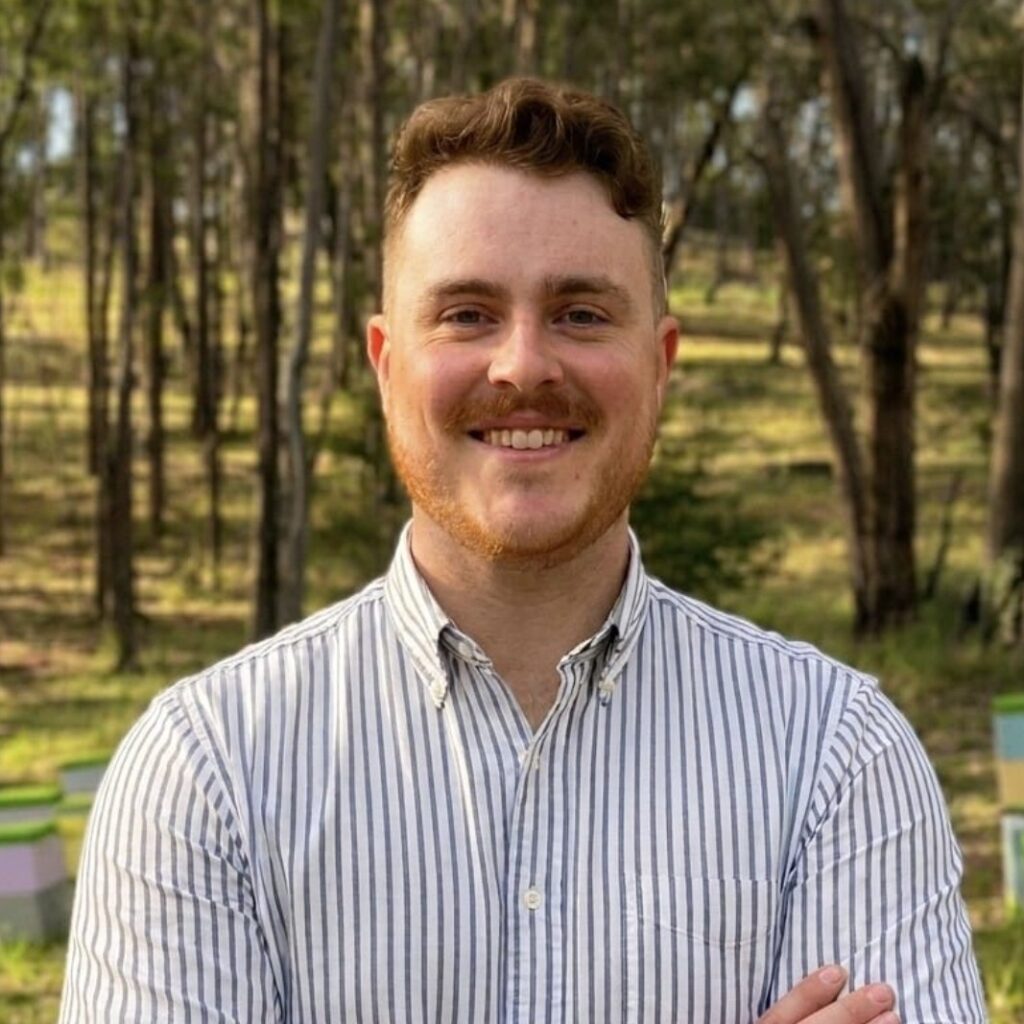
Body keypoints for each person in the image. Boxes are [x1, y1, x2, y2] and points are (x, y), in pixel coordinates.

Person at [59, 78, 986, 1023]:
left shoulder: (833, 758)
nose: (523, 365)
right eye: (467, 314)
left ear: (659, 365)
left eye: (582, 313)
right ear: (386, 365)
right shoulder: (207, 773)